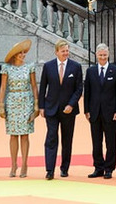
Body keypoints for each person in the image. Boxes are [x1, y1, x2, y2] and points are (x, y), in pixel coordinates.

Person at [39, 39, 83, 180]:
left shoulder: (76, 67)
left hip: (69, 110)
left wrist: (71, 104)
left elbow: (79, 89)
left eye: (67, 51)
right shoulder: (48, 66)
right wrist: (41, 106)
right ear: (56, 52)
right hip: (51, 108)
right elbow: (42, 88)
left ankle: (64, 168)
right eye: (63, 51)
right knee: (51, 138)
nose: (66, 53)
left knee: (67, 140)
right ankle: (50, 170)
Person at [0, 39, 39, 178]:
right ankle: (13, 164)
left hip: (26, 101)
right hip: (12, 101)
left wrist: (36, 105)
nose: (23, 54)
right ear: (14, 55)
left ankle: (25, 164)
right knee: (13, 134)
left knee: (25, 135)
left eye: (24, 52)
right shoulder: (6, 68)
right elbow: (3, 87)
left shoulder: (30, 67)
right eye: (20, 52)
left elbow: (34, 86)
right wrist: (1, 105)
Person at [83, 43, 116, 179]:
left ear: (108, 55)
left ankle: (109, 168)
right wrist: (86, 110)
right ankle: (98, 167)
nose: (102, 57)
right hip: (94, 112)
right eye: (100, 55)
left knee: (111, 142)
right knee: (96, 141)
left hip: (111, 113)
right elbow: (87, 92)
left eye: (105, 55)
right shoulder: (90, 71)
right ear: (96, 55)